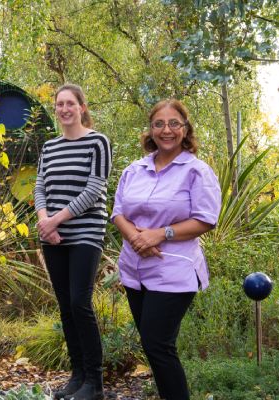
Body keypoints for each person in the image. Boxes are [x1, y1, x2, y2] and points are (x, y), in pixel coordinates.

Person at [111, 99, 220, 399]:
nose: (166, 130)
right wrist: (137, 238)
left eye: (174, 124)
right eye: (159, 124)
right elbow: (118, 210)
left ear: (185, 130)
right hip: (134, 270)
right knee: (152, 344)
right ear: (150, 130)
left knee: (158, 344)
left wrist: (161, 234)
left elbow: (206, 219)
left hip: (174, 270)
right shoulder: (135, 169)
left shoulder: (196, 172)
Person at [34, 84, 112, 400]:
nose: (64, 109)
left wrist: (55, 219)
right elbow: (40, 186)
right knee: (66, 307)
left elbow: (94, 190)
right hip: (52, 235)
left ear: (82, 107)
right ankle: (77, 377)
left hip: (85, 233)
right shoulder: (50, 147)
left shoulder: (98, 142)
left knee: (80, 302)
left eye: (70, 103)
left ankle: (95, 383)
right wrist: (44, 220)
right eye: (59, 104)